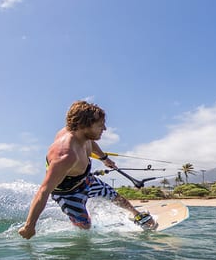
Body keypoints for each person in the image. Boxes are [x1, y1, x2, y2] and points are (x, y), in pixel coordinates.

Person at [18, 101, 156, 239]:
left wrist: (104, 158)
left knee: (115, 196)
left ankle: (136, 215)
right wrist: (29, 226)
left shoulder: (84, 136)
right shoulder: (65, 155)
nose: (105, 129)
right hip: (68, 194)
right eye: (100, 125)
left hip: (86, 180)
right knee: (86, 228)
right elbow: (43, 191)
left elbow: (92, 143)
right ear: (84, 125)